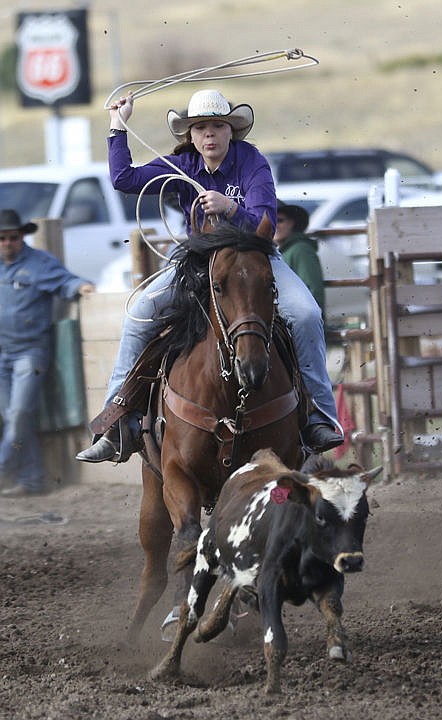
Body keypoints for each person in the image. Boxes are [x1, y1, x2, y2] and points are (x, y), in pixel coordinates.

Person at [76, 88, 343, 464]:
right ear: (191, 135)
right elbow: (124, 179)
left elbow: (265, 223)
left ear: (231, 131)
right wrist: (117, 126)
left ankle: (319, 416)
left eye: (217, 126)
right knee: (139, 314)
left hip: (254, 259)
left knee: (306, 314)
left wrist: (231, 207)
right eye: (201, 128)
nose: (209, 135)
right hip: (199, 262)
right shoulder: (182, 165)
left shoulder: (252, 163)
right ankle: (118, 421)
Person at [0, 209, 94, 497]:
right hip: (3, 352)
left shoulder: (40, 263)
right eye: (1, 238)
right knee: (14, 417)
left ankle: (4, 467)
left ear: (22, 237)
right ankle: (31, 478)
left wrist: (81, 287)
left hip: (30, 350)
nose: (7, 243)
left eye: (12, 237)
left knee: (17, 414)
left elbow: (66, 282)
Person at [274, 200, 325, 313]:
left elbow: (314, 293)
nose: (275, 225)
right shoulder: (280, 252)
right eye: (271, 220)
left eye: (279, 220)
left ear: (291, 223)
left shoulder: (301, 250)